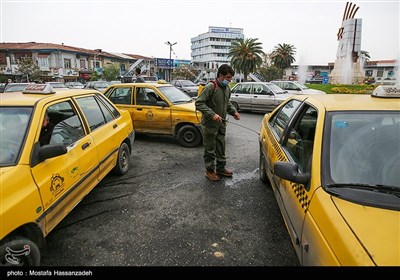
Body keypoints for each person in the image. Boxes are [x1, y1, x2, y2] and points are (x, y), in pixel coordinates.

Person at [195, 64, 240, 181]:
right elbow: (199, 103)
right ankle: (209, 171)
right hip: (210, 124)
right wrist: (212, 114)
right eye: (228, 78)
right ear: (221, 76)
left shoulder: (227, 89)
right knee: (210, 148)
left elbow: (227, 103)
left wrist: (234, 112)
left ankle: (221, 168)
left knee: (221, 146)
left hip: (221, 124)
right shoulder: (211, 87)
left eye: (231, 78)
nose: (230, 80)